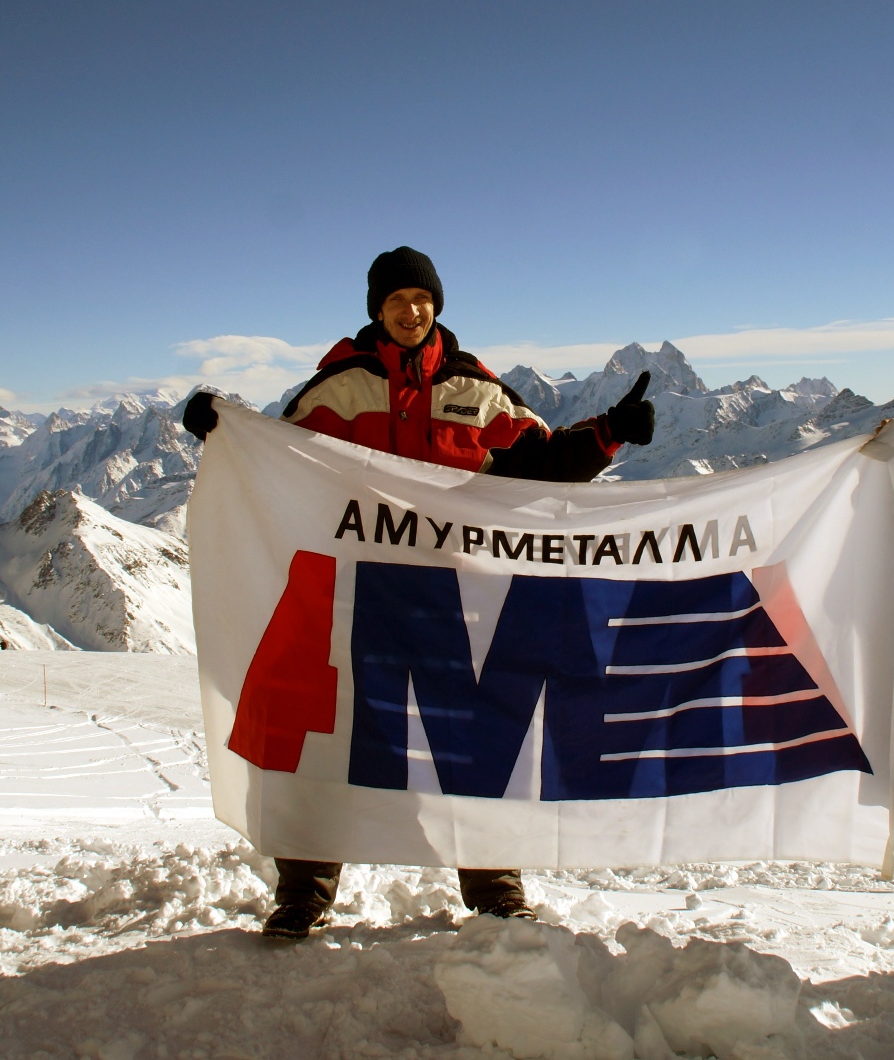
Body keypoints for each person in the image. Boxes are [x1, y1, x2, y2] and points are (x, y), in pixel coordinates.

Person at [182, 246, 655, 940]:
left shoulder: (478, 391)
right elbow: (278, 464)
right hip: (356, 594)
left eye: (423, 300)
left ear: (437, 307)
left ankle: (496, 890)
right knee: (330, 735)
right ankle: (303, 894)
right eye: (399, 300)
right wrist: (224, 432)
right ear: (377, 308)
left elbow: (541, 466)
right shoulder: (336, 390)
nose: (413, 311)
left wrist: (608, 434)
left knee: (476, 739)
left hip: (457, 597)